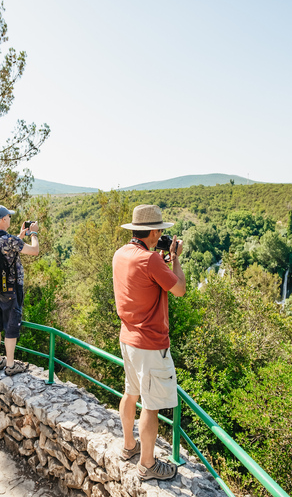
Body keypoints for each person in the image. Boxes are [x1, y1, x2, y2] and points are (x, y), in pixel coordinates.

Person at [112, 204, 186, 481]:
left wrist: (162, 258)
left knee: (130, 393)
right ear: (154, 231)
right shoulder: (152, 260)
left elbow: (145, 280)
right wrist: (175, 259)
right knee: (151, 405)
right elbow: (179, 289)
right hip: (150, 344)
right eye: (160, 231)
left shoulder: (122, 254)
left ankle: (129, 446)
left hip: (128, 338)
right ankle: (148, 465)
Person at [0, 205, 39, 376]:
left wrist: (20, 236)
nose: (10, 219)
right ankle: (10, 365)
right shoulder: (9, 240)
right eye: (8, 216)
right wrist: (33, 234)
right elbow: (34, 251)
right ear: (3, 219)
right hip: (10, 290)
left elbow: (4, 248)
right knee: (11, 327)